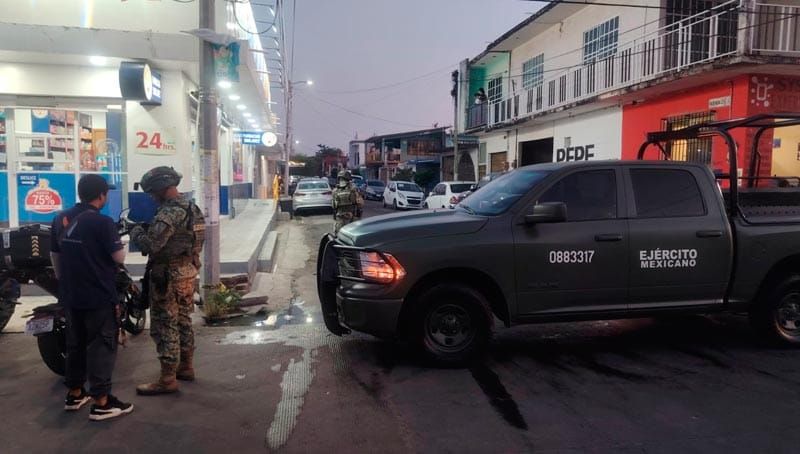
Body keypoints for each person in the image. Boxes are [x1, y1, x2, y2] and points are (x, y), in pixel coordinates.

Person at [50, 174, 133, 421]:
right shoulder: (102, 222)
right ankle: (102, 402)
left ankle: (75, 393)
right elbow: (119, 258)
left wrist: (65, 281)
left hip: (71, 293)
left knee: (75, 343)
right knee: (101, 346)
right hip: (97, 293)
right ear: (101, 196)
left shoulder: (60, 218)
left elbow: (55, 256)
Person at [129, 166, 205, 395]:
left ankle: (167, 379)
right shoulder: (193, 208)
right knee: (183, 320)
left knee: (165, 325)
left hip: (167, 278)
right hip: (187, 272)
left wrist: (135, 233)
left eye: (153, 192)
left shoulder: (169, 213)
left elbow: (151, 245)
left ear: (162, 188)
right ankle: (186, 367)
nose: (152, 196)